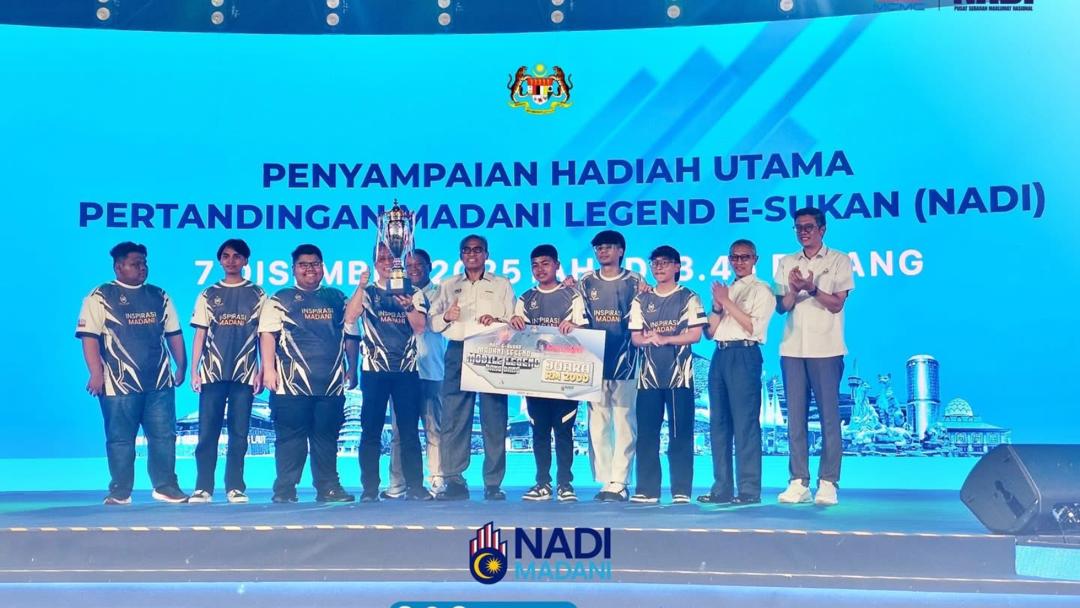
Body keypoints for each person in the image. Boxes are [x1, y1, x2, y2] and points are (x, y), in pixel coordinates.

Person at [76, 242, 189, 505]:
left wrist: (181, 366)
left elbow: (174, 334)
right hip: (118, 384)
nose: (142, 268)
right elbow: (89, 338)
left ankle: (166, 486)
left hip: (159, 382)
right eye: (136, 263)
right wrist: (95, 373)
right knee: (120, 440)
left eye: (144, 263)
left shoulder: (159, 295)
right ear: (119, 267)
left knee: (164, 437)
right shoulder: (100, 297)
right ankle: (120, 491)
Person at [259, 244, 359, 504]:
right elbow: (268, 335)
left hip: (330, 385)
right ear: (293, 269)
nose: (310, 269)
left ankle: (328, 488)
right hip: (290, 386)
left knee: (326, 439)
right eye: (303, 265)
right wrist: (268, 369)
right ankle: (285, 490)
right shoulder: (280, 299)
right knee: (290, 440)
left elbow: (350, 333)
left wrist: (352, 367)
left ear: (322, 268)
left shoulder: (337, 297)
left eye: (315, 264)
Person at [773, 208, 854, 506]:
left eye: (808, 227)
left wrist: (812, 288)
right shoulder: (787, 262)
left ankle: (828, 481)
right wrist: (795, 290)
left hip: (827, 349)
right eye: (798, 227)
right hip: (792, 349)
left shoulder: (839, 260)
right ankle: (798, 481)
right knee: (795, 419)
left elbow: (836, 304)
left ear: (822, 229)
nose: (803, 232)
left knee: (829, 418)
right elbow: (782, 307)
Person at [430, 234, 516, 501]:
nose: (472, 254)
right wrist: (447, 316)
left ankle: (493, 483)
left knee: (494, 418)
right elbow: (433, 322)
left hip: (492, 351)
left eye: (478, 250)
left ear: (486, 254)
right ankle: (454, 479)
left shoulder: (502, 284)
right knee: (454, 418)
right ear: (460, 255)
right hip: (458, 350)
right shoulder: (448, 285)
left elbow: (513, 320)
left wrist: (497, 320)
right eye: (466, 250)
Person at [344, 244, 431, 502]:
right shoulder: (368, 292)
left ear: (399, 263)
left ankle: (415, 487)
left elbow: (420, 328)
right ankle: (370, 489)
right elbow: (350, 318)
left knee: (409, 432)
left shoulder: (414, 292)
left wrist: (408, 308)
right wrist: (361, 286)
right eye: (381, 258)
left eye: (391, 258)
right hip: (374, 370)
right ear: (375, 263)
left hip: (406, 370)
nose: (386, 262)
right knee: (370, 431)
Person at [188, 239, 266, 505]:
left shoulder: (258, 294)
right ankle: (203, 487)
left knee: (239, 434)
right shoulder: (208, 294)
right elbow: (200, 334)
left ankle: (235, 486)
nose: (231, 261)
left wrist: (261, 370)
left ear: (245, 261)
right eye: (226, 256)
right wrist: (194, 370)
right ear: (220, 260)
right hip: (212, 374)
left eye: (236, 256)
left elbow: (263, 337)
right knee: (207, 433)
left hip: (244, 375)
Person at [628, 246, 706, 504]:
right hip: (648, 378)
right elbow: (636, 338)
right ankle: (647, 490)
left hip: (679, 378)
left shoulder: (689, 297)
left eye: (664, 262)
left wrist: (665, 338)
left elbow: (695, 335)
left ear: (677, 267)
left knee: (680, 434)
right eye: (655, 263)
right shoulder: (641, 300)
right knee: (647, 434)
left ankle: (681, 490)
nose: (659, 267)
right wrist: (648, 339)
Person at [698, 239, 774, 506]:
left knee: (745, 425)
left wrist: (726, 301)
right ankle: (721, 488)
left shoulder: (762, 290)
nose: (739, 262)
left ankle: (749, 490)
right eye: (735, 257)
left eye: (745, 257)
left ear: (755, 259)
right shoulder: (726, 290)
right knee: (718, 425)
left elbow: (753, 327)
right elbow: (710, 332)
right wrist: (717, 307)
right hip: (720, 354)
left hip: (745, 354)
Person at [510, 244, 588, 503]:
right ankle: (542, 483)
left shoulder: (571, 296)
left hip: (566, 375)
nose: (540, 269)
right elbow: (518, 336)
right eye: (535, 265)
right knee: (539, 431)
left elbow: (584, 330)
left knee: (564, 431)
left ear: (557, 265)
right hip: (534, 376)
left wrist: (574, 326)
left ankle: (565, 484)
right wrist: (514, 324)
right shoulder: (525, 298)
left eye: (545, 263)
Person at [574, 230, 645, 502]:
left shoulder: (635, 281)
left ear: (621, 250)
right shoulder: (585, 281)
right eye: (598, 248)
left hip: (626, 360)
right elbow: (577, 316)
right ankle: (606, 480)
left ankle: (621, 480)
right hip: (594, 361)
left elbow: (645, 313)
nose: (602, 251)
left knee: (625, 422)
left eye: (608, 247)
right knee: (597, 424)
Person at [380, 249, 446, 500]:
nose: (414, 268)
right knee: (400, 431)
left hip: (431, 368)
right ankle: (397, 482)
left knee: (434, 428)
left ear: (430, 265)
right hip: (400, 371)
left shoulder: (440, 292)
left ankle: (437, 478)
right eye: (408, 265)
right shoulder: (394, 292)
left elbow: (428, 325)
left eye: (419, 264)